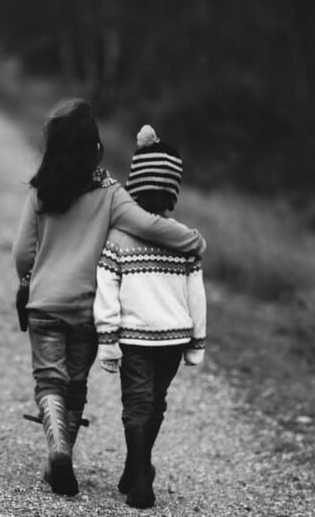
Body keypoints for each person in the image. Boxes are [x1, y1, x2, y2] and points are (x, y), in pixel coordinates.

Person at [11, 100, 207, 497]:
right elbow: (149, 225)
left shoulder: (40, 192)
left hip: (45, 304)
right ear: (94, 148)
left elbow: (21, 253)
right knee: (75, 385)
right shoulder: (110, 194)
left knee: (49, 380)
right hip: (86, 308)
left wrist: (30, 279)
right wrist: (193, 241)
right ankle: (65, 452)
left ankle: (59, 450)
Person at [94, 125, 207, 509]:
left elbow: (106, 291)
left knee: (137, 405)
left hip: (135, 338)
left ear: (133, 187)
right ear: (173, 193)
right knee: (156, 402)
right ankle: (137, 467)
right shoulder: (183, 240)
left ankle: (140, 476)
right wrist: (197, 343)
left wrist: (107, 341)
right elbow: (197, 296)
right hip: (174, 338)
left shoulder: (118, 238)